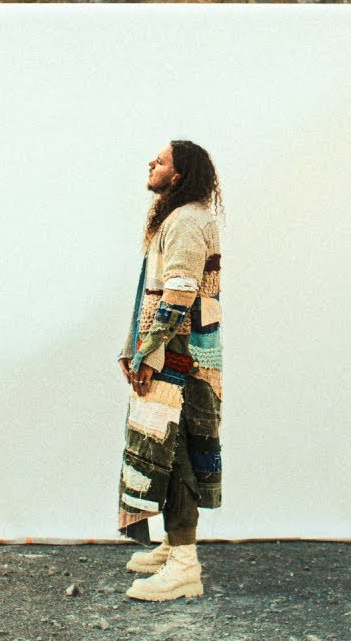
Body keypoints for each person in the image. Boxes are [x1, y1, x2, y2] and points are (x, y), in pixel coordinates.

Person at [117, 140, 224, 602]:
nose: (151, 163)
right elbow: (156, 292)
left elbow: (179, 295)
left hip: (180, 358)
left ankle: (184, 565)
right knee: (166, 448)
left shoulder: (186, 222)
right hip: (175, 353)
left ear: (178, 176)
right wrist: (133, 347)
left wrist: (148, 352)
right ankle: (173, 544)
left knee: (175, 451)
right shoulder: (180, 217)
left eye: (160, 161)